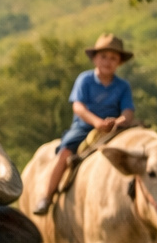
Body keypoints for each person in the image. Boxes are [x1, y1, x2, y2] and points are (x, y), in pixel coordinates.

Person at [30, 33, 138, 215]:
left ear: (119, 62)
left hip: (114, 129)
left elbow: (128, 110)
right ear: (95, 59)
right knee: (65, 153)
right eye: (103, 56)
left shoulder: (123, 86)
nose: (108, 61)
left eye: (113, 58)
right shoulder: (85, 80)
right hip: (84, 126)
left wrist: (119, 121)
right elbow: (78, 107)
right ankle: (46, 196)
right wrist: (97, 122)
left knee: (134, 152)